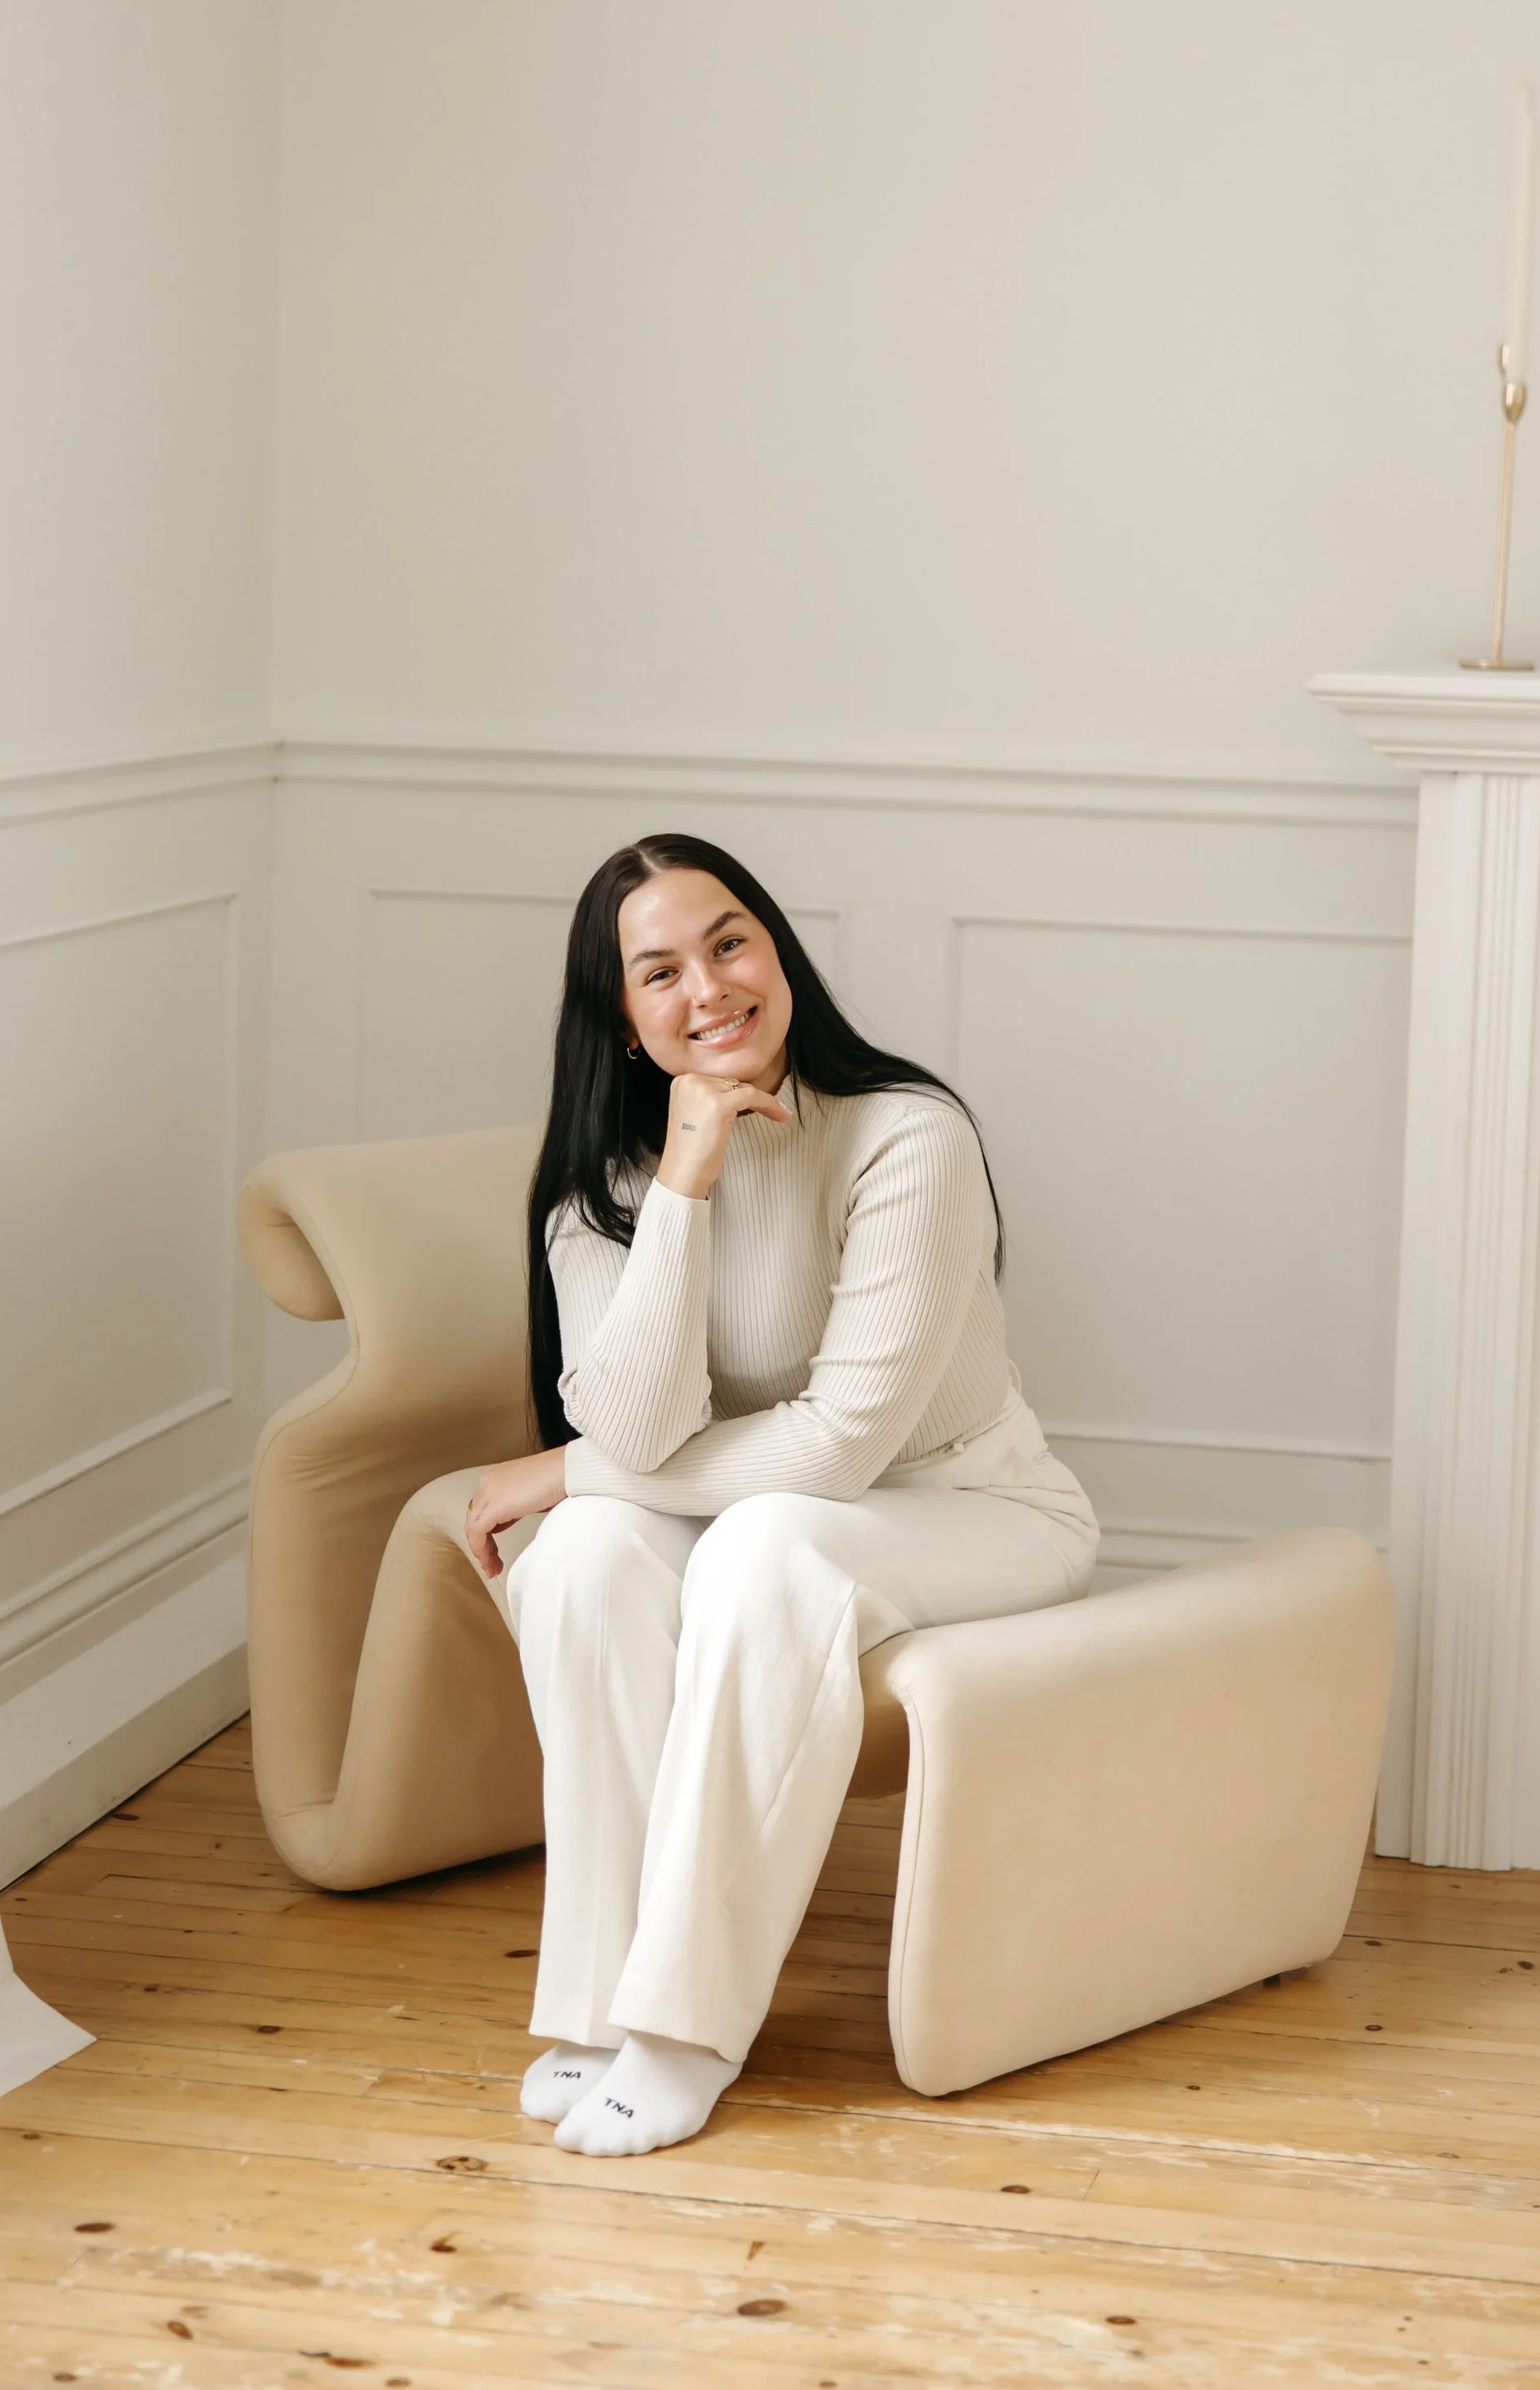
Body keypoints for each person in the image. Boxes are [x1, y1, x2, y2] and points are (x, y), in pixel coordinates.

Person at [464, 833, 1097, 2157]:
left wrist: (567, 1467)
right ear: (624, 1022)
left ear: (777, 947)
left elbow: (835, 1452)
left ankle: (687, 2022)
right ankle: (596, 1997)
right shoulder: (608, 1181)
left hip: (974, 1506)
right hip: (758, 1505)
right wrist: (686, 1181)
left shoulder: (907, 1137)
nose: (710, 988)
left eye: (730, 941)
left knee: (761, 1547)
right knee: (579, 1556)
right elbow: (635, 1424)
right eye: (661, 972)